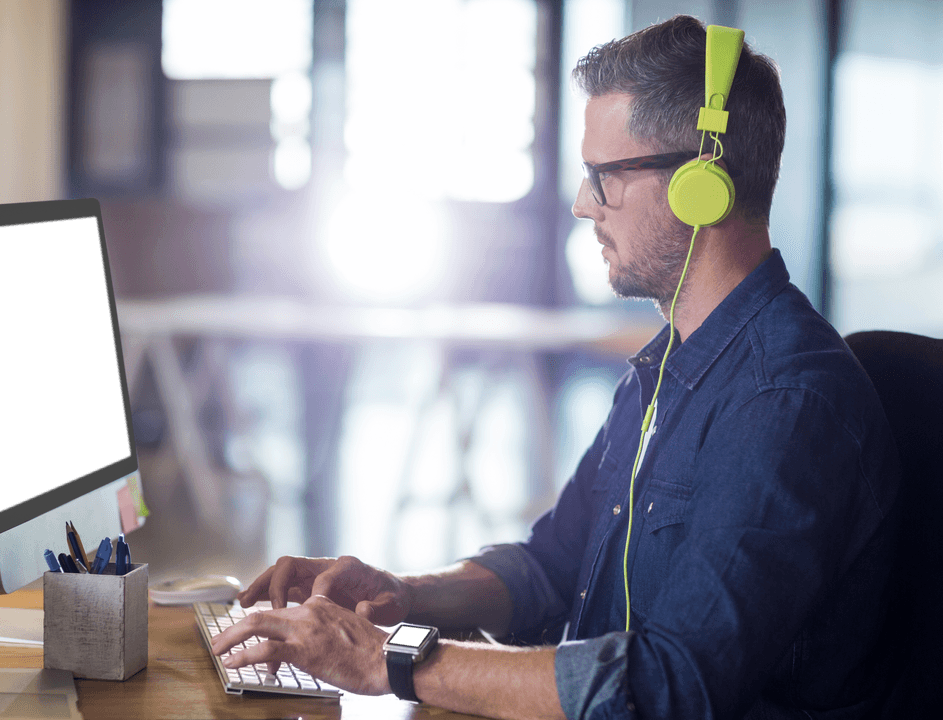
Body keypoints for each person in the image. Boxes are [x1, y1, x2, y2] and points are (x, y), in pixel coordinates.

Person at [212, 15, 901, 720]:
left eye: (605, 177)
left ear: (703, 185)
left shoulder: (785, 403)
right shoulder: (668, 367)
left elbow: (669, 686)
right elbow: (548, 567)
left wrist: (385, 660)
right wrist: (401, 594)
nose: (581, 204)